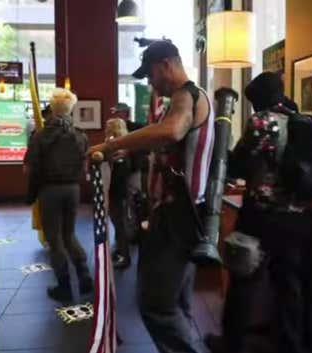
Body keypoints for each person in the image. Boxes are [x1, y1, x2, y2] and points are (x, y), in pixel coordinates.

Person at [88, 40, 214, 353]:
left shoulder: (187, 95)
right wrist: (128, 148)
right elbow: (166, 140)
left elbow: (171, 131)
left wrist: (110, 146)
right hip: (182, 216)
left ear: (165, 65)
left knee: (157, 306)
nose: (150, 82)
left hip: (177, 217)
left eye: (151, 74)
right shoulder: (188, 98)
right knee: (177, 304)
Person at [207, 72, 310, 353]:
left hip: (261, 215)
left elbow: (238, 165)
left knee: (243, 280)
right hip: (296, 217)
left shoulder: (261, 122)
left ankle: (233, 344)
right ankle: (291, 345)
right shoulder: (301, 120)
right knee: (289, 285)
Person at [24, 88, 93, 302]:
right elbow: (84, 164)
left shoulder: (40, 135)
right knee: (69, 235)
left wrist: (31, 193)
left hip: (49, 190)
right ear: (71, 108)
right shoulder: (80, 135)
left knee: (55, 240)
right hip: (73, 189)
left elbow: (30, 168)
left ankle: (64, 286)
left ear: (52, 109)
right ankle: (84, 276)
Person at [104, 118, 142, 269]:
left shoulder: (117, 147)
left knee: (120, 224)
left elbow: (120, 173)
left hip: (119, 191)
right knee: (122, 223)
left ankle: (124, 256)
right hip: (126, 191)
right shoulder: (130, 146)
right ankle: (120, 251)